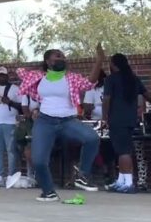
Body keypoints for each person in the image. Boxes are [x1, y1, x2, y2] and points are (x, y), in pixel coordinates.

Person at [17, 44, 105, 202]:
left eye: (63, 56)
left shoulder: (71, 77)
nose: (62, 58)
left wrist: (99, 60)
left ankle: (82, 175)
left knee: (92, 138)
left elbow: (89, 83)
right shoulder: (39, 77)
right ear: (48, 61)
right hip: (44, 121)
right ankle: (48, 192)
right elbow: (20, 72)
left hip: (68, 121)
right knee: (39, 160)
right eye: (58, 56)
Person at [102, 53, 151, 193]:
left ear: (113, 64)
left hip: (117, 118)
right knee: (121, 150)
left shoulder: (110, 79)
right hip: (130, 119)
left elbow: (106, 99)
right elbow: (147, 95)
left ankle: (128, 183)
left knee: (123, 151)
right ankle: (121, 180)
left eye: (110, 62)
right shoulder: (133, 78)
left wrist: (105, 117)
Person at [0, 66, 22, 187]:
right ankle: (0, 175)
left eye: (3, 75)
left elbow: (22, 107)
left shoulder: (15, 89)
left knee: (11, 150)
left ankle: (11, 175)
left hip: (10, 123)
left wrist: (10, 102)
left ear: (7, 76)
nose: (1, 77)